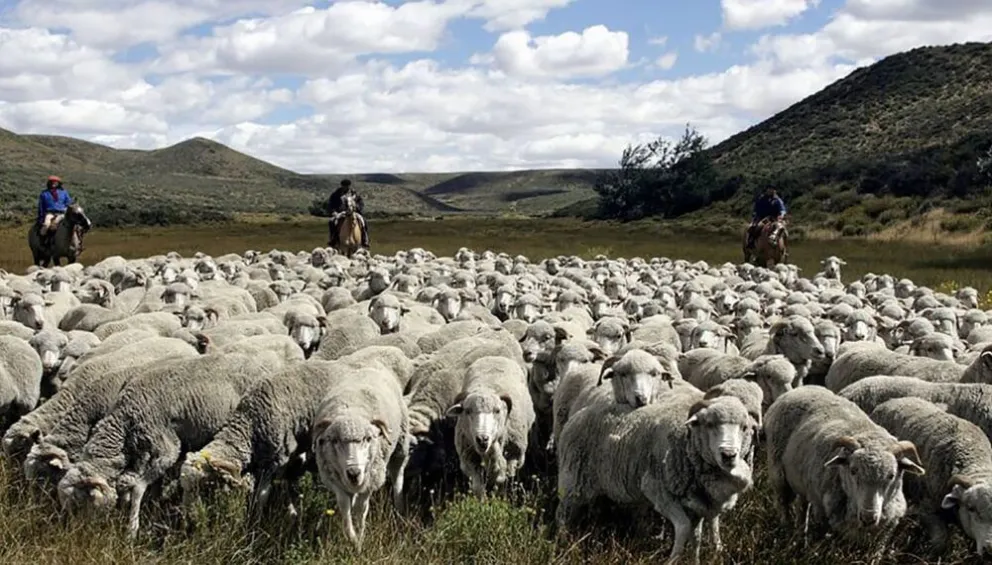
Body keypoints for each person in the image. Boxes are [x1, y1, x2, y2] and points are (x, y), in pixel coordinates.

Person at [326, 179, 370, 249]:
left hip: (354, 212)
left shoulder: (354, 193)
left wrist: (357, 207)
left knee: (364, 221)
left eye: (347, 186)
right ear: (342, 186)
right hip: (340, 213)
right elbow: (331, 204)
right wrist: (334, 212)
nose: (345, 187)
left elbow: (361, 203)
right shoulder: (336, 194)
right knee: (331, 221)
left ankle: (365, 240)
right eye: (344, 186)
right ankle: (333, 239)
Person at [746, 187, 786, 252]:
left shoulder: (777, 200)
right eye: (769, 189)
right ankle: (751, 242)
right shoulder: (762, 199)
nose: (770, 191)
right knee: (757, 227)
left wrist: (781, 215)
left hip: (775, 218)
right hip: (764, 218)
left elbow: (782, 209)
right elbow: (756, 209)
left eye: (772, 190)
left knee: (783, 229)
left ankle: (785, 249)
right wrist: (756, 215)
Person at [37, 175, 74, 246]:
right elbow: (41, 207)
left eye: (55, 182)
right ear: (49, 183)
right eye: (52, 182)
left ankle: (75, 243)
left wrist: (69, 207)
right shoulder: (44, 193)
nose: (53, 183)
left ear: (58, 183)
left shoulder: (64, 192)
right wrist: (41, 218)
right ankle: (43, 242)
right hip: (50, 213)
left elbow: (68, 202)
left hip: (62, 213)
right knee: (46, 225)